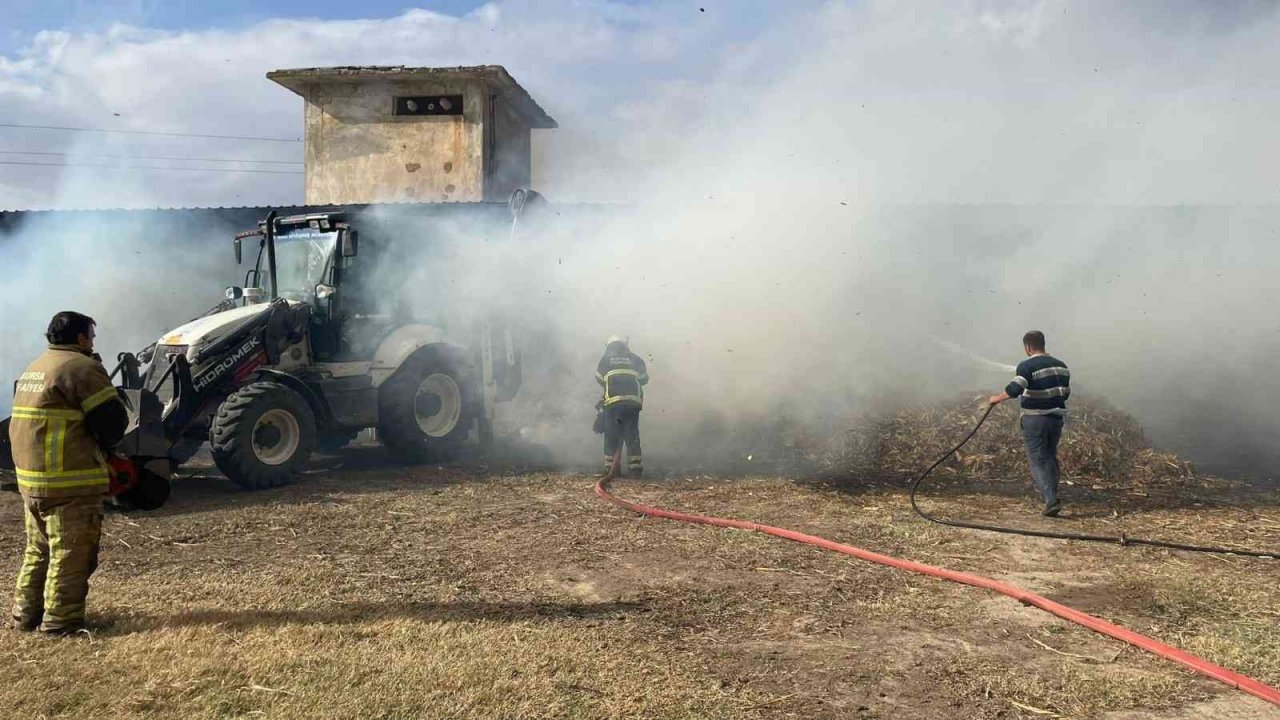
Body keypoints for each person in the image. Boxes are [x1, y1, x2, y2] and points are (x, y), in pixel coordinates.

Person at [9, 311, 128, 635]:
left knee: (39, 550)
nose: (92, 342)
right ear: (81, 339)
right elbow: (112, 424)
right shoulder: (82, 368)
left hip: (31, 482)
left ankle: (25, 616)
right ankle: (60, 623)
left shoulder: (36, 367)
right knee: (72, 554)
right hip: (68, 482)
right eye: (91, 336)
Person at [988, 330, 1070, 517]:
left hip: (1035, 419)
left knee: (1037, 459)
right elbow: (1065, 393)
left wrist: (995, 399)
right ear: (1043, 344)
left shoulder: (1027, 366)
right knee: (1049, 456)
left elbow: (1015, 388)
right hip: (1056, 419)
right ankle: (1052, 496)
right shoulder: (1062, 366)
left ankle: (1050, 501)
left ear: (1028, 347)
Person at [595, 335, 648, 476]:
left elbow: (599, 378)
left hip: (612, 403)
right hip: (632, 403)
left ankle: (610, 468)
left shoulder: (605, 360)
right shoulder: (636, 359)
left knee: (611, 434)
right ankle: (635, 469)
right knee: (631, 434)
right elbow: (644, 379)